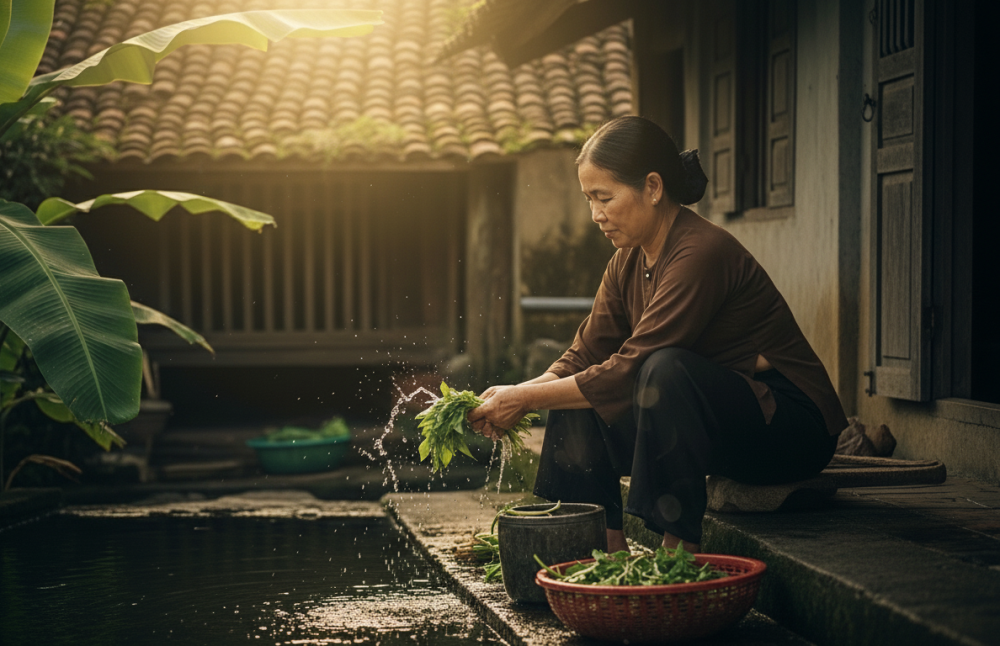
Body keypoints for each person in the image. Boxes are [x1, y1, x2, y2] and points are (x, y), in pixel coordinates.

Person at [467, 116, 847, 554]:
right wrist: (515, 394)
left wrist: (525, 399)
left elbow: (633, 368)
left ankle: (676, 555)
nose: (595, 215)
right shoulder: (626, 260)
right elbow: (584, 354)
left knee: (663, 369)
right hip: (712, 421)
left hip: (790, 428)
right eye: (589, 200)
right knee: (573, 391)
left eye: (605, 197)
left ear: (652, 187)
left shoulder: (701, 251)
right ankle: (603, 550)